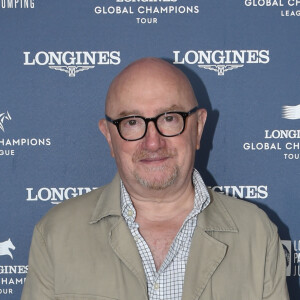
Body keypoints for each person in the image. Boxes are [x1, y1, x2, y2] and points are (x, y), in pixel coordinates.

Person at [21, 58, 289, 300]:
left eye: (170, 118)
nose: (152, 142)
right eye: (132, 122)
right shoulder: (54, 235)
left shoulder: (256, 234)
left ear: (198, 128)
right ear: (108, 137)